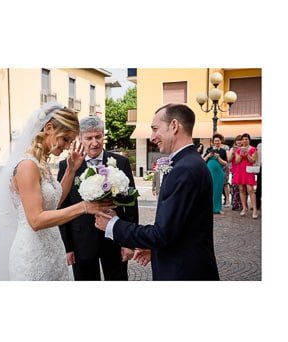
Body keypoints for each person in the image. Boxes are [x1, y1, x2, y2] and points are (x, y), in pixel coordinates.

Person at [0, 103, 113, 280]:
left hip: (52, 248)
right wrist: (84, 207)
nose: (67, 146)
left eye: (70, 141)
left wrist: (71, 170)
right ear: (49, 128)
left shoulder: (41, 162)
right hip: (32, 255)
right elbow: (36, 220)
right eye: (65, 139)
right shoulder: (27, 165)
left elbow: (54, 202)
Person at [94, 103, 220, 280]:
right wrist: (153, 247)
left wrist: (113, 224)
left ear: (174, 126)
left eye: (155, 129)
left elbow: (162, 234)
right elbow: (178, 227)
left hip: (184, 272)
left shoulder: (184, 168)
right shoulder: (189, 162)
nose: (152, 137)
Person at [57, 115, 139, 281]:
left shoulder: (121, 162)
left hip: (115, 238)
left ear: (103, 136)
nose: (94, 142)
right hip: (81, 241)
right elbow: (62, 206)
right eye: (89, 138)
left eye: (98, 137)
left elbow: (131, 205)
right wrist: (67, 247)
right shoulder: (67, 166)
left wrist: (129, 242)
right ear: (80, 139)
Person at [233, 133, 258, 219]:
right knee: (241, 189)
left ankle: (255, 210)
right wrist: (240, 154)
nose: (244, 141)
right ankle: (244, 208)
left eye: (246, 139)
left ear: (249, 140)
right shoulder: (238, 149)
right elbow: (237, 161)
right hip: (240, 171)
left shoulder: (253, 149)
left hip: (248, 171)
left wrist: (247, 154)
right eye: (243, 139)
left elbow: (253, 161)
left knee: (250, 189)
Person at [203, 133, 228, 214]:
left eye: (218, 141)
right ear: (213, 142)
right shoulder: (209, 149)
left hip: (219, 173)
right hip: (209, 172)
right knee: (209, 190)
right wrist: (208, 155)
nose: (217, 142)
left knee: (218, 190)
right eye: (215, 141)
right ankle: (208, 208)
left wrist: (218, 157)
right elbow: (203, 160)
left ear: (221, 141)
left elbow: (225, 163)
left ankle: (218, 208)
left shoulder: (223, 151)